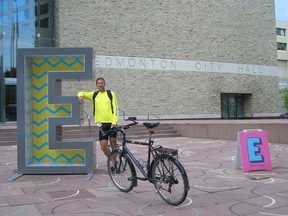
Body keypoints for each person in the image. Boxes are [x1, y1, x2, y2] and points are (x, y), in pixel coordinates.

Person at [77, 77, 118, 159]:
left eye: (102, 83)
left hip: (112, 123)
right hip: (102, 124)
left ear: (105, 84)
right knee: (103, 146)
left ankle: (114, 163)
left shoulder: (111, 94)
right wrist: (80, 96)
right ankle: (113, 158)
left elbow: (115, 107)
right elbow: (81, 92)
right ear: (96, 85)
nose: (100, 84)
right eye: (98, 83)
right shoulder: (94, 95)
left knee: (113, 143)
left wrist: (115, 121)